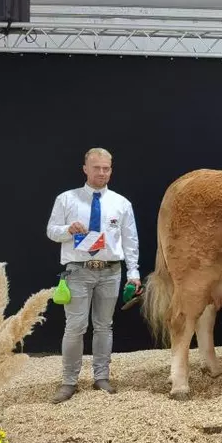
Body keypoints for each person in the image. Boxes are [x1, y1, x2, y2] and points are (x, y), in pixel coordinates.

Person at [46, 147, 142, 403]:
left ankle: (101, 377)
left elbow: (130, 240)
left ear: (111, 170)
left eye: (106, 168)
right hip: (78, 271)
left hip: (110, 271)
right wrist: (68, 229)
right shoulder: (66, 199)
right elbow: (51, 231)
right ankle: (69, 381)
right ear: (85, 169)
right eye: (96, 167)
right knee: (75, 327)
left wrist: (133, 272)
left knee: (104, 326)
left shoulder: (121, 203)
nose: (101, 172)